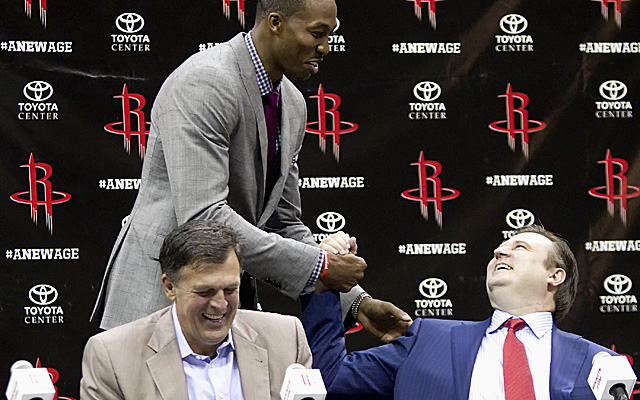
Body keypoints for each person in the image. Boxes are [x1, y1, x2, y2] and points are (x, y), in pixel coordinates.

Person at [90, 0, 410, 340]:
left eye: (331, 35)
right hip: (158, 299)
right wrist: (322, 266)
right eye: (317, 33)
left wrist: (357, 303)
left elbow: (283, 222)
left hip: (221, 307)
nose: (325, 48)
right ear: (275, 23)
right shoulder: (206, 82)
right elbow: (203, 219)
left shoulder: (293, 103)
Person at [302, 225, 619, 399]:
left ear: (554, 276)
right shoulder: (428, 338)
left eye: (520, 248)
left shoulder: (598, 364)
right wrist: (327, 282)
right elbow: (328, 381)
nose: (500, 250)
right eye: (500, 247)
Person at [81, 220, 312, 400]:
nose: (220, 304)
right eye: (205, 292)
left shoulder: (286, 339)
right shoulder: (113, 357)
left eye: (230, 289)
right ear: (170, 287)